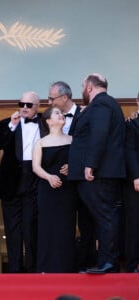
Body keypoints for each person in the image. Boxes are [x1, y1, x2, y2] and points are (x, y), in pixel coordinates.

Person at [68, 73, 126, 274]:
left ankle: (109, 262)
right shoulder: (99, 106)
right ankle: (104, 262)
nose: (82, 89)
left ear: (90, 87)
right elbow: (76, 132)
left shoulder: (102, 104)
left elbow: (99, 133)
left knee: (105, 215)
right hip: (99, 172)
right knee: (102, 216)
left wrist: (90, 164)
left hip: (99, 173)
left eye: (82, 85)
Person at [0, 91, 46, 273]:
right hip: (11, 183)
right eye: (21, 103)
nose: (24, 108)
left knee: (32, 229)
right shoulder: (6, 123)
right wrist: (12, 125)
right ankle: (13, 272)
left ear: (37, 107)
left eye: (29, 105)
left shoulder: (45, 123)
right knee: (13, 230)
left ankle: (33, 271)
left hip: (36, 180)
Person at [48, 81, 96, 272]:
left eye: (52, 98)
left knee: (87, 223)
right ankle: (65, 266)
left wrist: (76, 165)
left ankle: (88, 263)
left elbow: (93, 143)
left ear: (64, 97)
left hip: (84, 179)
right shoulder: (49, 118)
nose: (50, 102)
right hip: (60, 181)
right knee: (63, 224)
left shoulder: (87, 112)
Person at [32, 107, 77, 272]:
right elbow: (36, 167)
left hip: (67, 190)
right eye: (57, 113)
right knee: (47, 227)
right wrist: (49, 177)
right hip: (47, 189)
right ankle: (46, 268)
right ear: (48, 121)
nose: (61, 114)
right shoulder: (41, 142)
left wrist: (72, 166)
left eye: (61, 113)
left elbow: (79, 161)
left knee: (66, 227)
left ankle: (66, 268)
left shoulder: (73, 139)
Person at [124, 91, 139, 273]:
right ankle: (133, 265)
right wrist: (136, 176)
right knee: (134, 223)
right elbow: (130, 151)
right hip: (136, 181)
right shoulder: (131, 123)